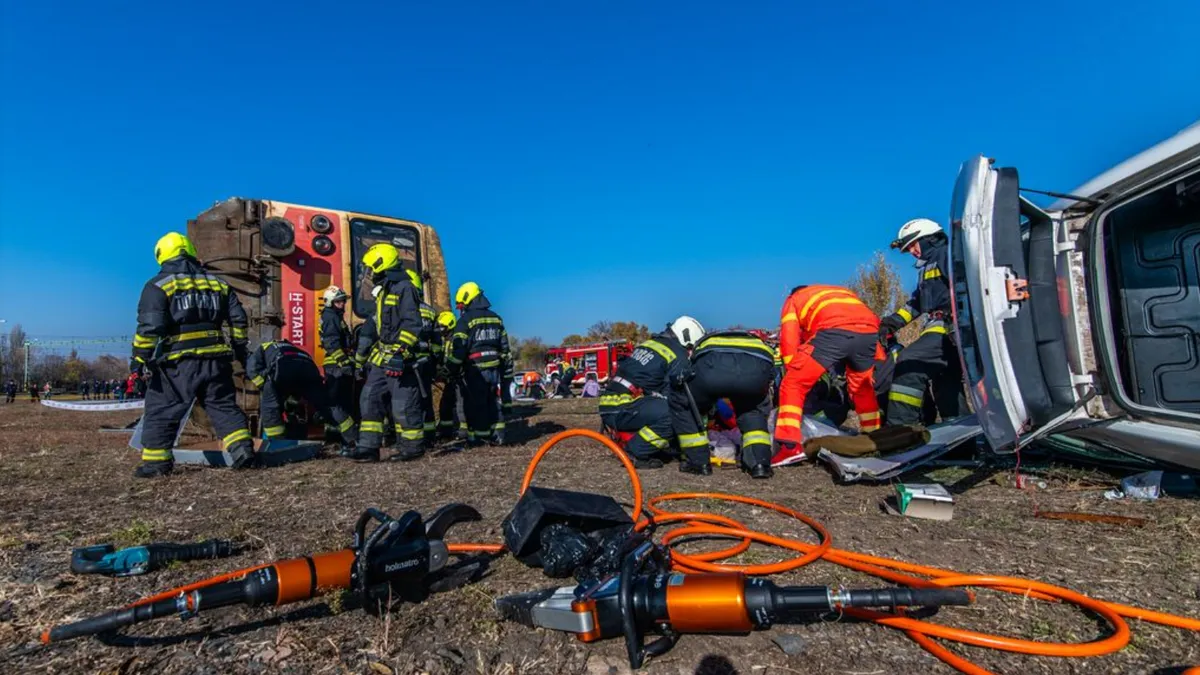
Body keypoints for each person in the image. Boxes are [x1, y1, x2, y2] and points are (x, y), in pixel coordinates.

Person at [130, 231, 255, 478]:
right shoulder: (219, 284)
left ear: (161, 255)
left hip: (178, 364)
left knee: (163, 408)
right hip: (216, 361)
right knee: (222, 406)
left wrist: (139, 358)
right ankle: (242, 450)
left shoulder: (157, 285)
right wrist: (241, 351)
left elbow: (150, 327)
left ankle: (156, 463)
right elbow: (239, 320)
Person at [770, 285, 882, 467]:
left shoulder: (794, 299)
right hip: (869, 331)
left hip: (834, 331)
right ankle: (875, 438)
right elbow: (864, 321)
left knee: (792, 384)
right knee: (863, 388)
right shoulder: (841, 294)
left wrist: (793, 367)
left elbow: (789, 335)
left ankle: (789, 447)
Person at [880, 218, 967, 426]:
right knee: (946, 384)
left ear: (928, 239)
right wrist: (890, 323)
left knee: (909, 363)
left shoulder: (947, 255)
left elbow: (966, 287)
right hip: (943, 331)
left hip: (948, 329)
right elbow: (916, 304)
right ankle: (963, 443)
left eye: (913, 245)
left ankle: (901, 430)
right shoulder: (927, 268)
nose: (912, 252)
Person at [671, 329, 776, 479]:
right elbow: (772, 372)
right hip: (755, 372)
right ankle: (759, 464)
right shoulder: (758, 343)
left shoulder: (706, 343)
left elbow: (690, 371)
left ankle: (698, 462)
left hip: (712, 368)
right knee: (753, 411)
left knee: (683, 403)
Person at [355, 245, 426, 462]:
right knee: (370, 397)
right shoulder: (384, 290)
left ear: (381, 265)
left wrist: (400, 354)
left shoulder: (404, 288)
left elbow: (412, 324)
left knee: (403, 404)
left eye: (370, 268)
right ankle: (368, 447)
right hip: (381, 357)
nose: (369, 273)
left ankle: (412, 448)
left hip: (399, 358)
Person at [598, 317, 698, 469]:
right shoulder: (678, 355)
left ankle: (650, 447)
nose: (690, 351)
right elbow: (674, 394)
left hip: (609, 404)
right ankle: (635, 452)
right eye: (691, 346)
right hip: (624, 407)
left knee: (665, 409)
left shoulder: (649, 344)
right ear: (687, 338)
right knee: (674, 414)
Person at [246, 338, 356, 446]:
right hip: (309, 368)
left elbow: (251, 369)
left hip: (285, 366)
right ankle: (352, 438)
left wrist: (265, 387)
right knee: (328, 405)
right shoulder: (296, 349)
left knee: (270, 407)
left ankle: (277, 443)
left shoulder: (264, 347)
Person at [448, 281, 510, 446]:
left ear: (468, 299)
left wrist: (452, 368)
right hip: (495, 370)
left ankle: (479, 438)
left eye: (461, 305)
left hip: (475, 370)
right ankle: (499, 435)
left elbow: (459, 350)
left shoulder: (465, 320)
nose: (461, 309)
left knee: (476, 404)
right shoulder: (496, 318)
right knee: (493, 402)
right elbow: (505, 348)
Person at [319, 285, 357, 441]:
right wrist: (344, 362)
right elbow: (331, 343)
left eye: (343, 301)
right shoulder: (331, 317)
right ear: (330, 303)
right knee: (337, 402)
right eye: (338, 302)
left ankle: (338, 436)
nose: (342, 304)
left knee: (342, 401)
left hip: (338, 364)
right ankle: (346, 436)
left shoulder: (335, 316)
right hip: (336, 365)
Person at [434, 311, 465, 440]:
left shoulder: (457, 339)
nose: (441, 330)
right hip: (450, 379)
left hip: (459, 378)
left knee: (461, 404)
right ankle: (446, 432)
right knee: (445, 405)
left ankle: (464, 430)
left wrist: (448, 370)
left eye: (443, 327)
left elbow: (458, 359)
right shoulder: (445, 340)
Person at [415, 289, 440, 446]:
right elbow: (437, 343)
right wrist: (436, 360)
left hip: (409, 362)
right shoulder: (431, 312)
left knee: (410, 400)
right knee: (426, 400)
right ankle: (430, 437)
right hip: (426, 361)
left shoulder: (404, 309)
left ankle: (413, 438)